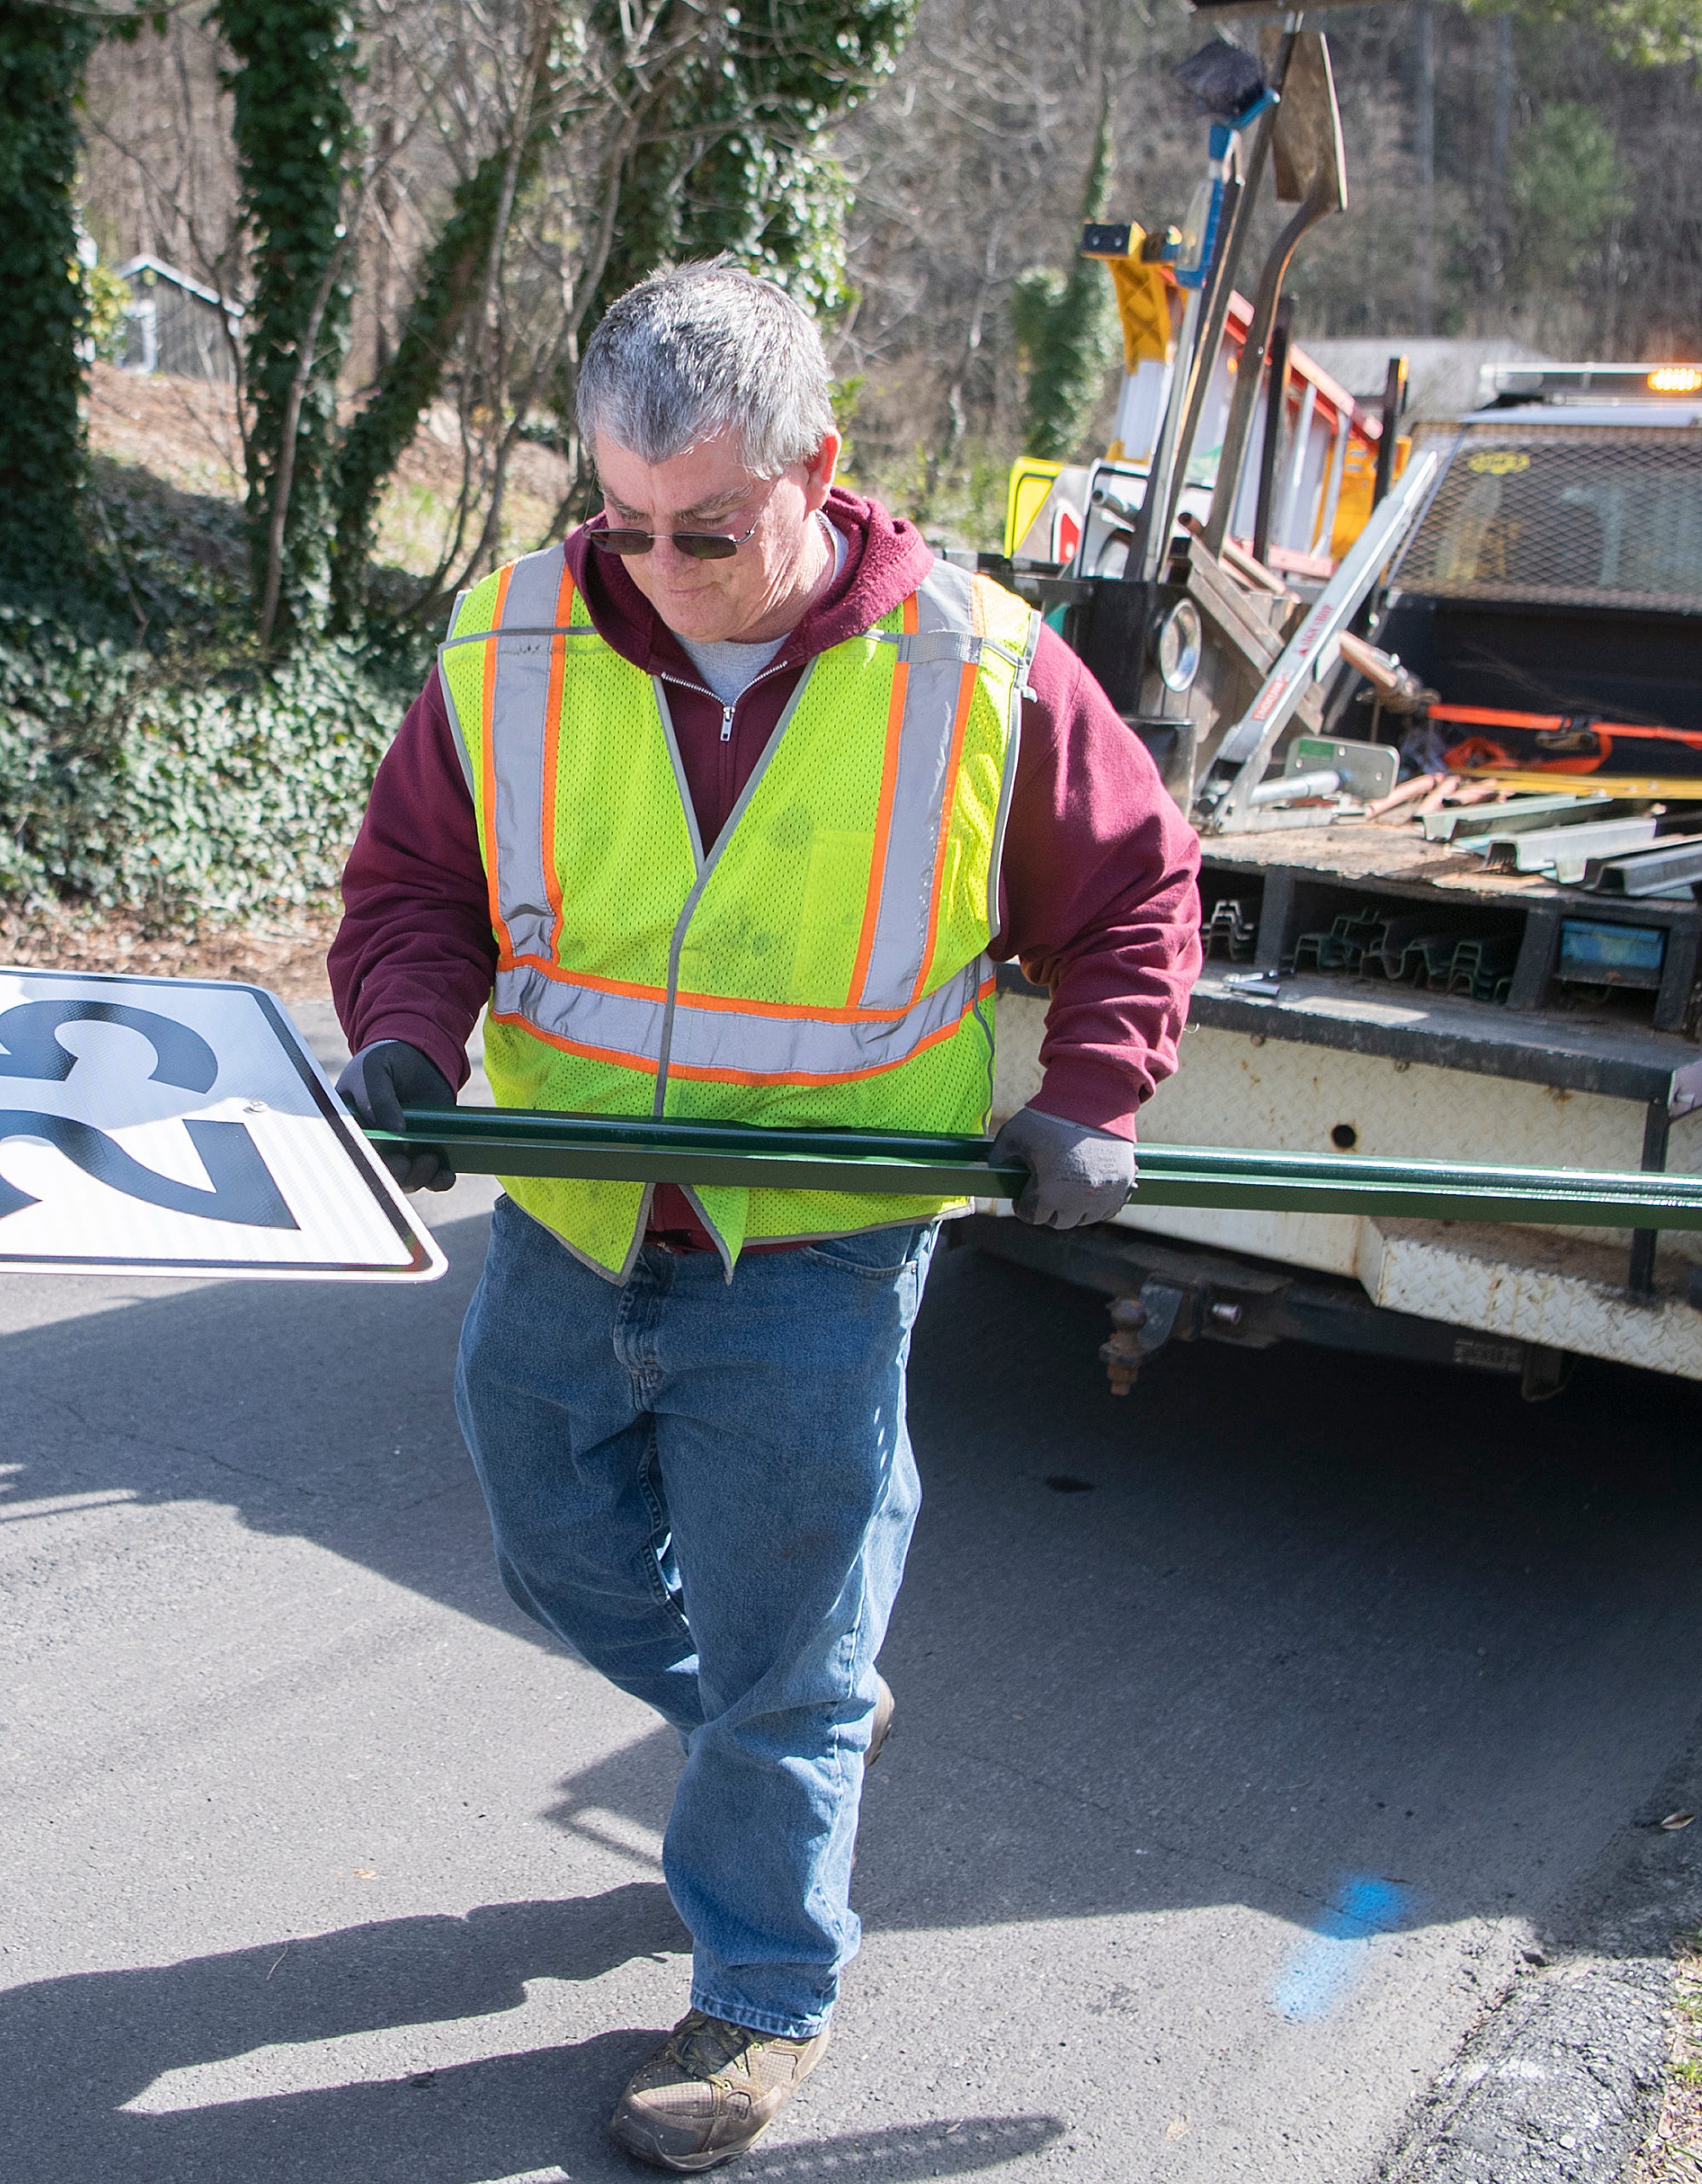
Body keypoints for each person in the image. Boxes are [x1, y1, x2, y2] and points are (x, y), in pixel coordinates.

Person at [330, 260, 1201, 2172]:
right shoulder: (509, 641)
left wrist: (1091, 1093)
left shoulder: (980, 668)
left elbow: (1134, 893)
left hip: (817, 1241)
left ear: (818, 467)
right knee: (557, 1555)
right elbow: (412, 882)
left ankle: (760, 1983)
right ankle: (791, 1709)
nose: (653, 565)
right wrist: (406, 1039)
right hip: (567, 1215)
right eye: (618, 521)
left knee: (786, 1648)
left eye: (703, 532)